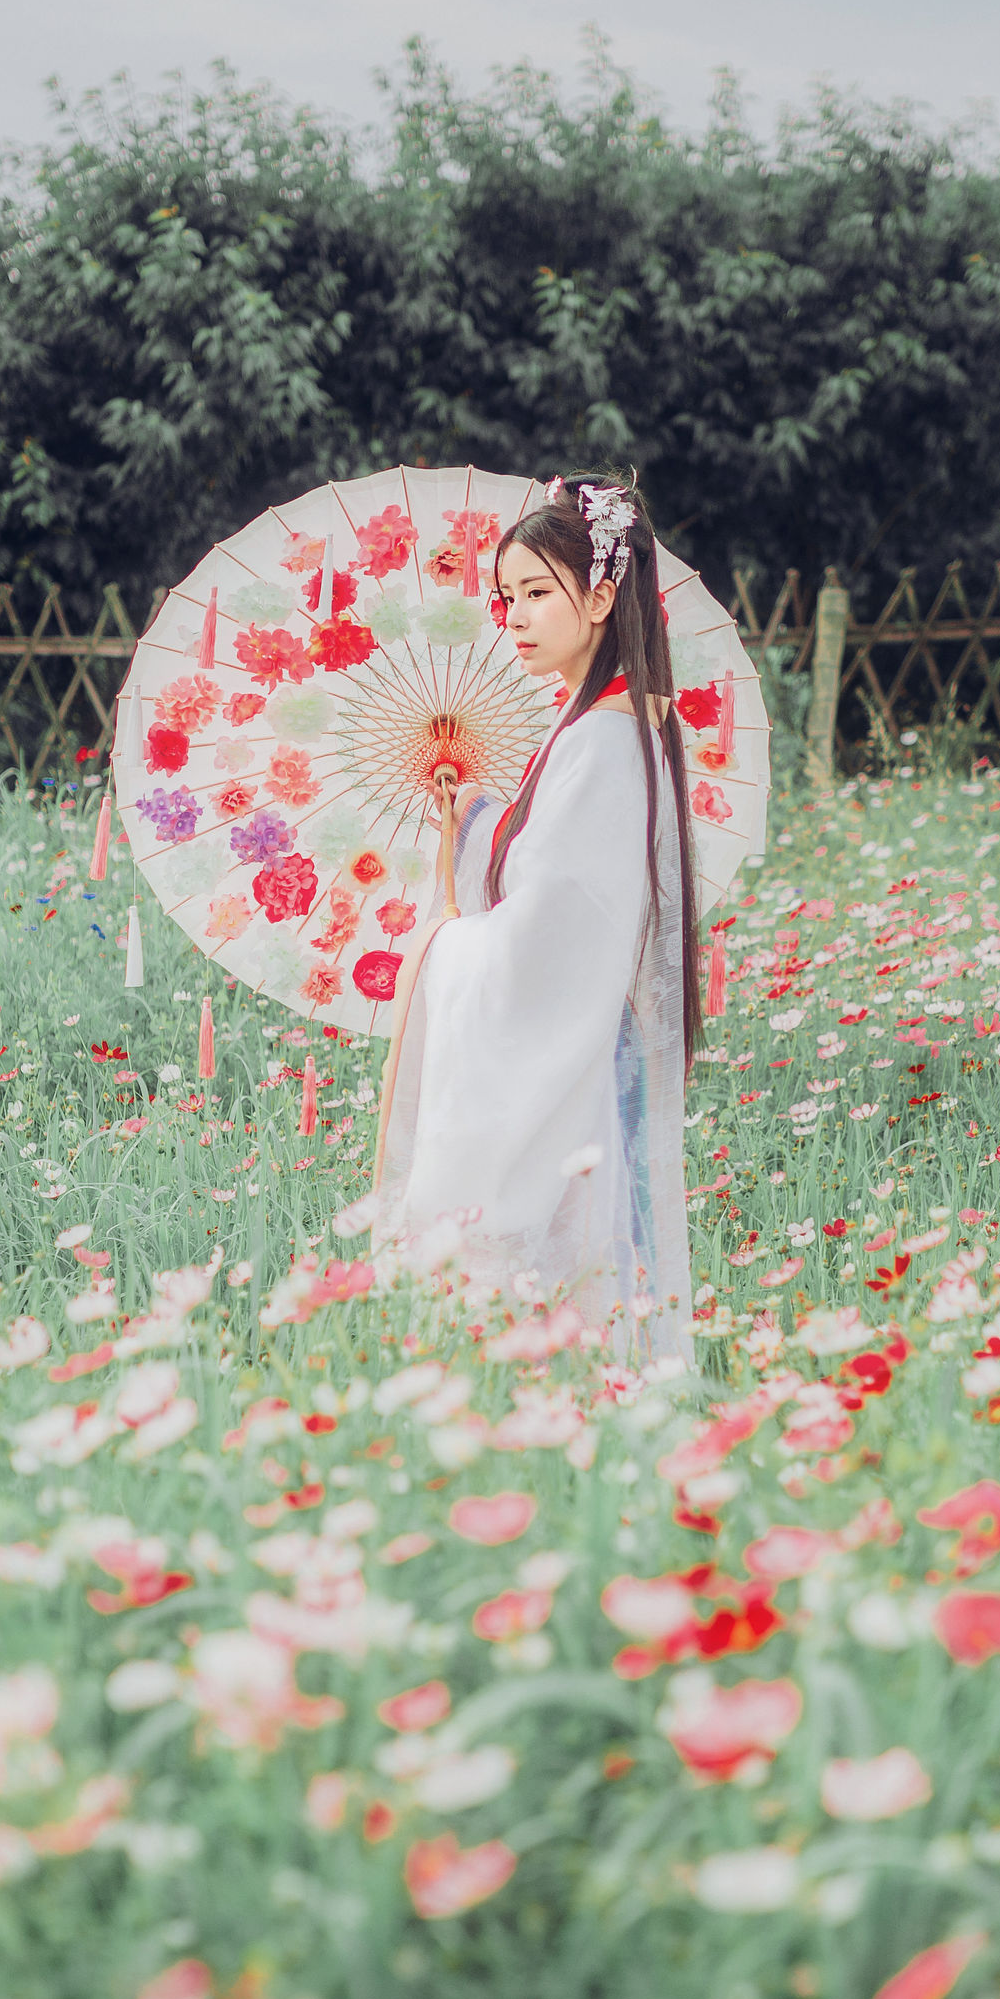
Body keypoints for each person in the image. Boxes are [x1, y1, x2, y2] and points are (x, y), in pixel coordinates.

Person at [372, 473, 701, 1361]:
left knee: (581, 1287)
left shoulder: (604, 737)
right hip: (586, 1038)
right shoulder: (593, 722)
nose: (512, 616)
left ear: (600, 596)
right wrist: (479, 817)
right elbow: (545, 877)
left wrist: (445, 944)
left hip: (582, 1048)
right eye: (504, 596)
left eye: (536, 594)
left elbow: (556, 927)